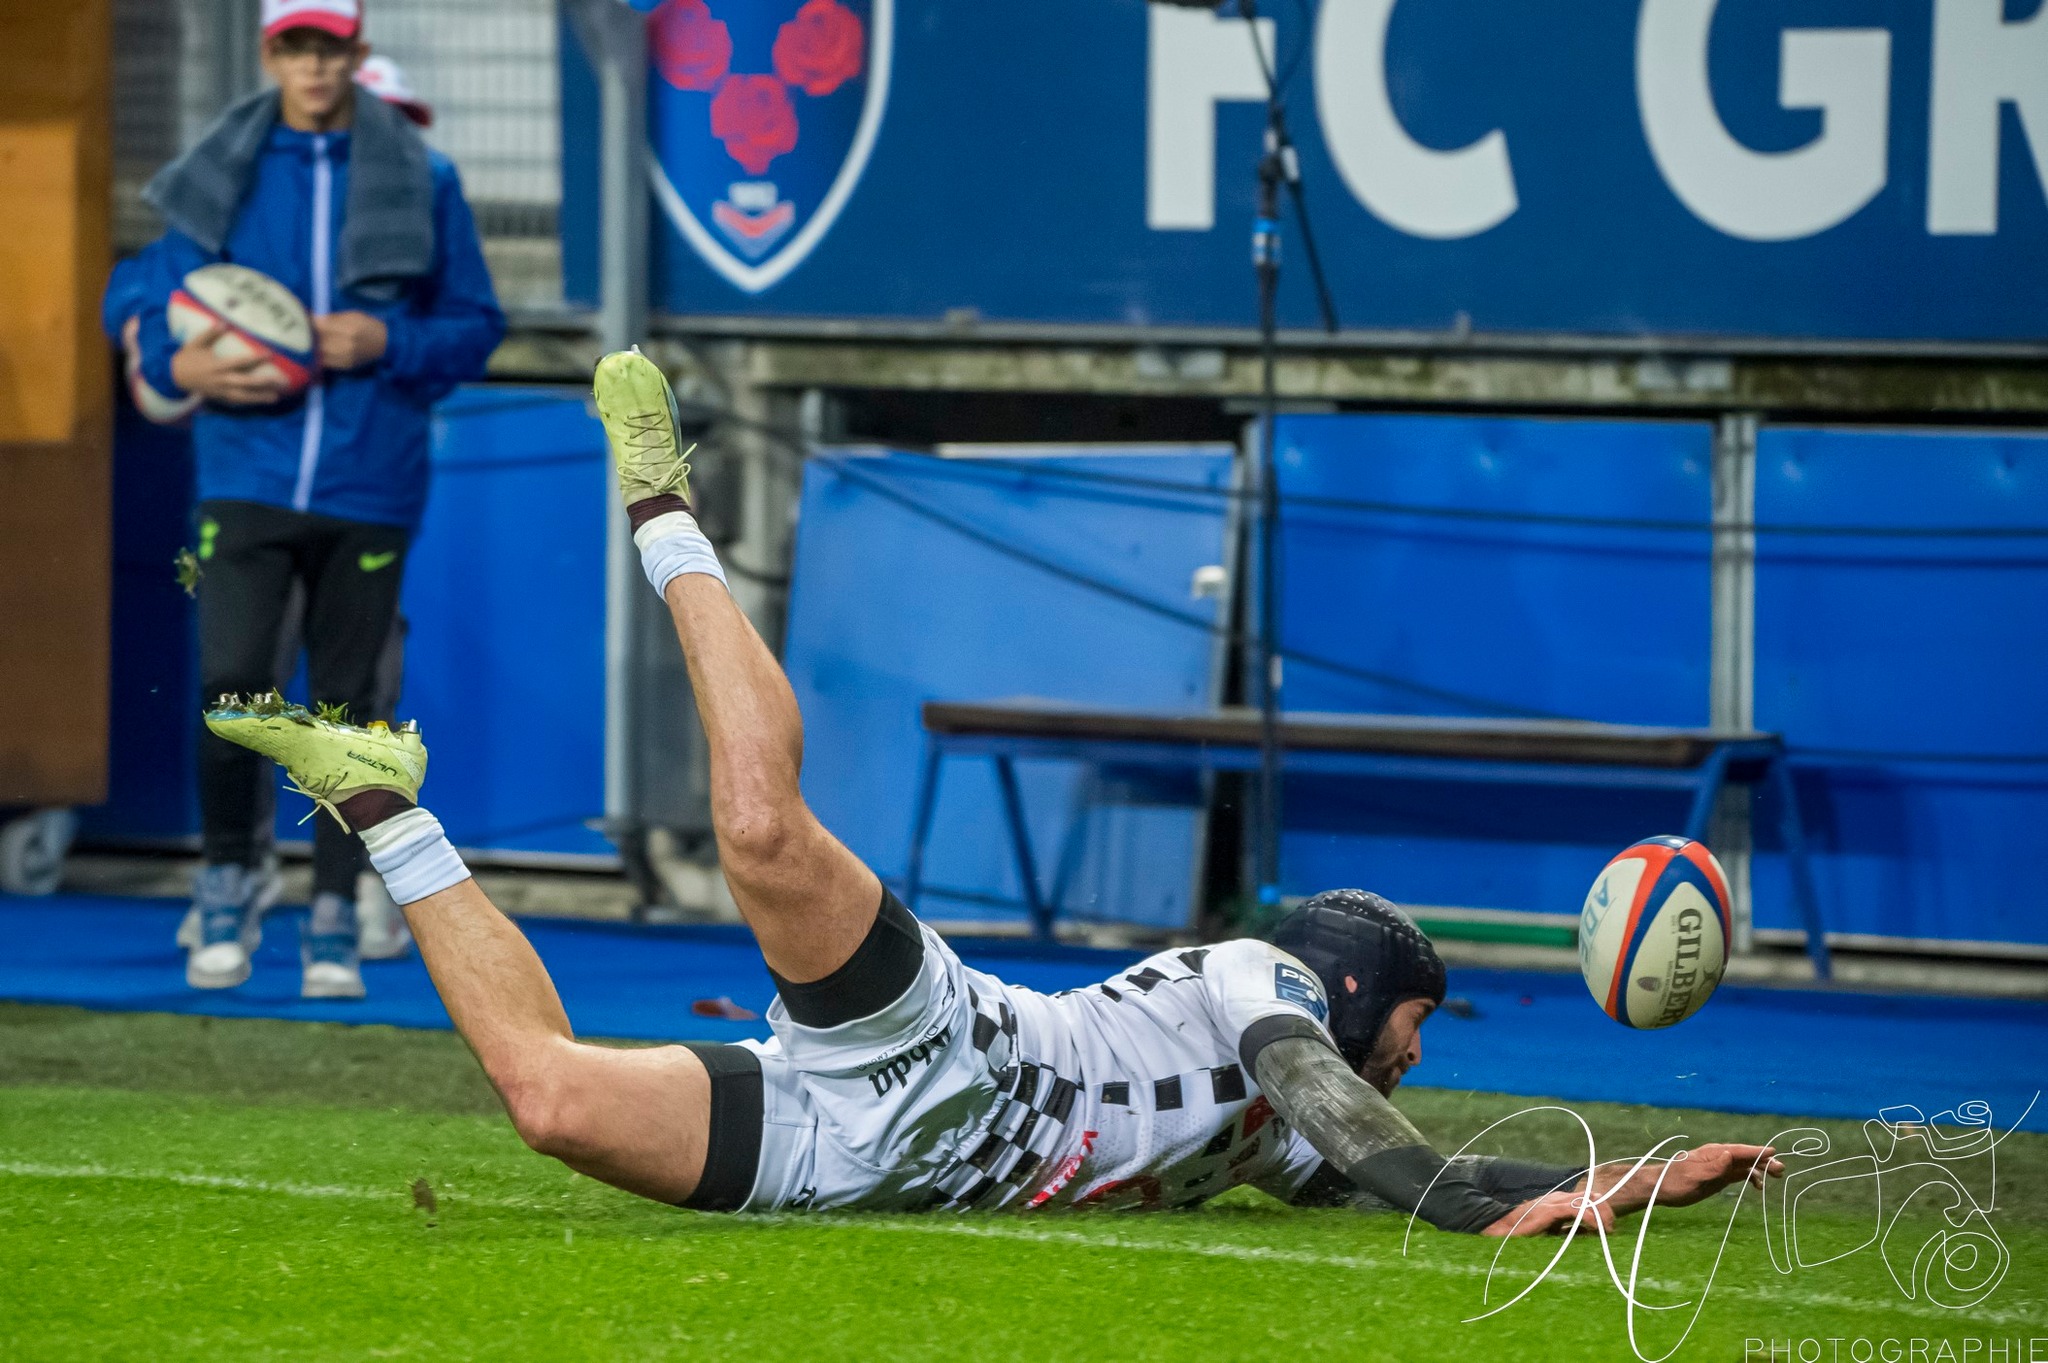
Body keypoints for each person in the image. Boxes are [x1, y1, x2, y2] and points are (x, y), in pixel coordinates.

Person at [203, 350, 1781, 1228]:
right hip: (947, 1048)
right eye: (1421, 1018)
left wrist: (1617, 1183)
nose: (1418, 1049)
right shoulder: (1267, 982)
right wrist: (1458, 1198)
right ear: (1357, 974)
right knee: (757, 831)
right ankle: (665, 504)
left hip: (856, 1160)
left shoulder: (1305, 1141)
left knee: (548, 1099)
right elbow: (1343, 1106)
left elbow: (1381, 1152)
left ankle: (383, 806)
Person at [133, 0, 504, 998]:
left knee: (349, 712)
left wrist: (387, 343)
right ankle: (227, 877)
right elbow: (155, 303)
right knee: (232, 692)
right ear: (270, 53)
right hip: (242, 474)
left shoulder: (425, 179)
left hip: (370, 480)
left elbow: (475, 323)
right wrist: (191, 364)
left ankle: (336, 908)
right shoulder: (224, 174)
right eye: (294, 46)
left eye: (328, 46)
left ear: (356, 52)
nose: (312, 65)